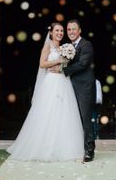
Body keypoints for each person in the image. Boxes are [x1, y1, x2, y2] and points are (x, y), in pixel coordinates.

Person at [7, 22, 84, 161]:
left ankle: (62, 147)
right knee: (48, 112)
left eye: (61, 31)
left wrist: (64, 63)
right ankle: (43, 146)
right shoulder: (47, 46)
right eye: (57, 31)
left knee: (64, 114)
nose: (60, 33)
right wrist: (58, 61)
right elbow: (42, 64)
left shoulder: (65, 47)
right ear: (51, 33)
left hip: (64, 82)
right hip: (51, 82)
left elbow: (66, 65)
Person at [62, 19, 96, 162]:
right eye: (68, 29)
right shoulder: (67, 47)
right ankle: (73, 148)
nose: (71, 32)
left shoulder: (86, 45)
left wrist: (64, 70)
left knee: (85, 118)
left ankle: (89, 150)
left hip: (84, 87)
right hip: (70, 87)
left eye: (73, 29)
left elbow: (83, 64)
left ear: (80, 30)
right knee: (71, 118)